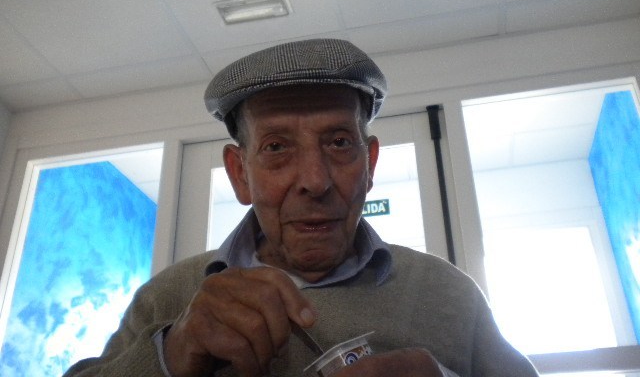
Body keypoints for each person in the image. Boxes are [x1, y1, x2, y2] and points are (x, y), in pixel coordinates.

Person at [63, 39, 538, 377]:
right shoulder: (169, 297)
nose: (315, 180)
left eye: (339, 142)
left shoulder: (448, 294)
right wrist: (171, 354)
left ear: (370, 164)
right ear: (239, 174)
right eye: (276, 147)